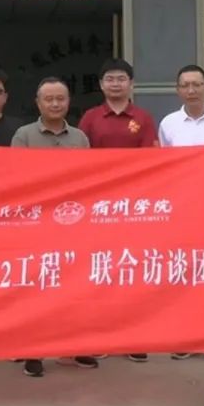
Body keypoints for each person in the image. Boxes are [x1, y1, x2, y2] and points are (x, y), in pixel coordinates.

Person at [11, 77, 95, 377]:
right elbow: (15, 178)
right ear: (38, 103)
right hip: (36, 225)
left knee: (74, 286)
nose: (55, 104)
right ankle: (33, 351)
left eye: (61, 98)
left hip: (73, 224)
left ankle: (76, 346)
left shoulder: (80, 138)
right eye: (49, 99)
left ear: (68, 102)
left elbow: (90, 178)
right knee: (36, 288)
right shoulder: (24, 135)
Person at [77, 58, 155, 363]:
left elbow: (150, 161)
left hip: (133, 206)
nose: (115, 84)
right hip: (98, 207)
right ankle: (101, 334)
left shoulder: (143, 118)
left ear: (131, 84)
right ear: (101, 85)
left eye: (121, 78)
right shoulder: (90, 118)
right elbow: (79, 160)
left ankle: (133, 337)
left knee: (131, 270)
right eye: (109, 79)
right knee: (100, 271)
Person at [158, 64, 204, 361]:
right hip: (183, 213)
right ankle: (186, 334)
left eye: (197, 84)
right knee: (185, 272)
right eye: (185, 85)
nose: (191, 90)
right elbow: (164, 168)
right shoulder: (169, 124)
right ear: (178, 90)